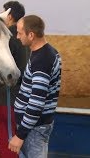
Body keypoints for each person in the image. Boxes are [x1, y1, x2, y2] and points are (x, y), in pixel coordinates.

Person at [8, 15, 62, 157]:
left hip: (33, 130)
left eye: (20, 33)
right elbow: (36, 84)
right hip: (32, 127)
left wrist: (20, 135)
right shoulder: (44, 52)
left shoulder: (42, 60)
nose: (18, 37)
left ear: (31, 35)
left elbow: (36, 103)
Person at [0, 1, 29, 158]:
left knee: (5, 134)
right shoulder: (25, 37)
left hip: (7, 95)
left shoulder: (7, 38)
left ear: (10, 16)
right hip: (22, 95)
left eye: (3, 12)